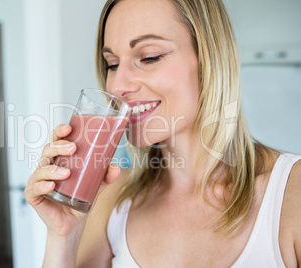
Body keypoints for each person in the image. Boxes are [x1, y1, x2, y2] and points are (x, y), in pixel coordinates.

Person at [24, 0, 301, 267]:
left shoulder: (292, 193)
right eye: (112, 64)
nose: (118, 84)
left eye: (149, 57)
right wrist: (64, 235)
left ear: (210, 58)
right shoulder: (112, 197)